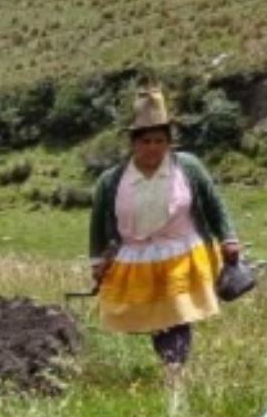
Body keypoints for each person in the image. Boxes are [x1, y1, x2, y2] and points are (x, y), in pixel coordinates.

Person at [88, 87, 242, 386]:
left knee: (175, 316)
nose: (153, 148)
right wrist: (97, 260)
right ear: (133, 143)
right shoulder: (112, 181)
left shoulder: (188, 168)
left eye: (160, 140)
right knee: (154, 319)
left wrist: (228, 238)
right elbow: (98, 224)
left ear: (169, 142)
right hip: (136, 258)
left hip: (180, 252)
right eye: (146, 141)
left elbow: (213, 203)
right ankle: (169, 363)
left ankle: (175, 372)